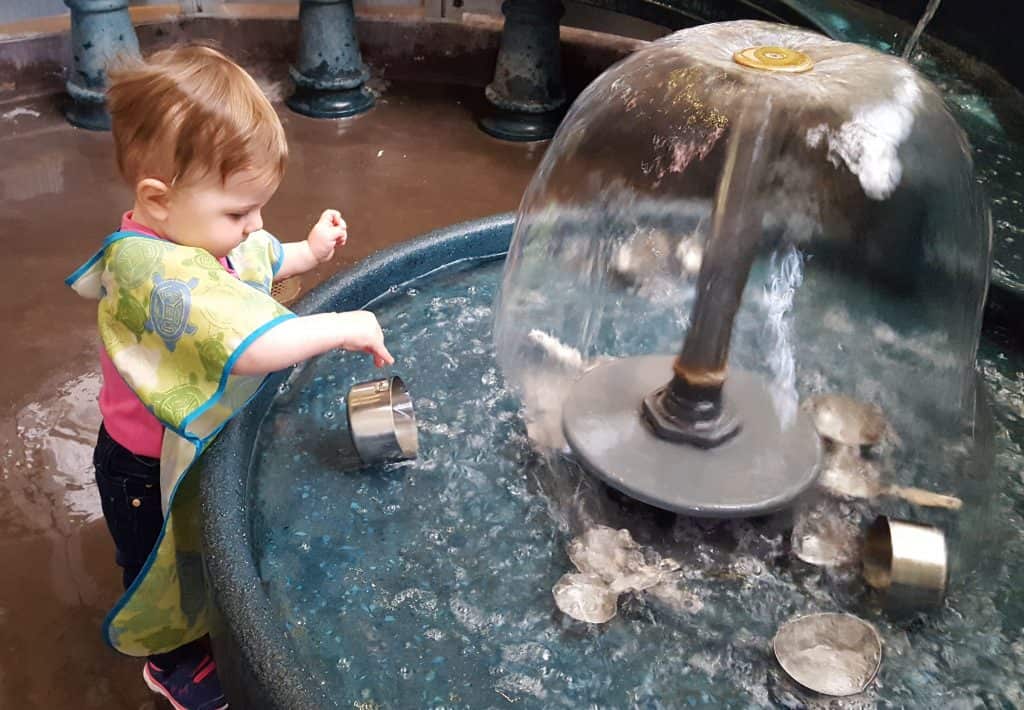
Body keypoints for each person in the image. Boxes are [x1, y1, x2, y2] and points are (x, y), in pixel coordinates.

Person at [67, 44, 394, 709]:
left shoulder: (197, 231)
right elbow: (248, 343)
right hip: (141, 467)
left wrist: (309, 249)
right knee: (158, 562)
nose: (253, 226)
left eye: (258, 209)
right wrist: (345, 326)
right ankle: (171, 660)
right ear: (156, 201)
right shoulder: (150, 275)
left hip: (184, 447)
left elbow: (255, 261)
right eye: (238, 213)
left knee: (198, 545)